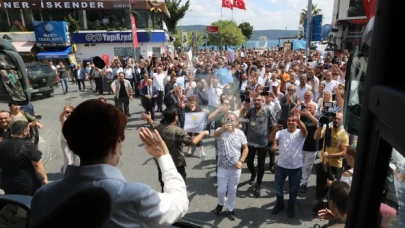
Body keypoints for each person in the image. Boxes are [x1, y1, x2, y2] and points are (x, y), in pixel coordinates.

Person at [30, 100, 189, 228]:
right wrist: (163, 157)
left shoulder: (43, 196)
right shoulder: (134, 196)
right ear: (115, 144)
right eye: (121, 139)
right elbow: (180, 203)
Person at [142, 108, 209, 192]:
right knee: (179, 187)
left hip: (162, 162)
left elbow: (152, 123)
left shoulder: (159, 126)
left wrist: (148, 118)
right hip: (176, 163)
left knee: (164, 185)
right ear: (175, 117)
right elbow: (193, 142)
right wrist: (203, 133)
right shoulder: (177, 131)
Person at [269, 108, 307, 218]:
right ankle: (280, 204)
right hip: (281, 166)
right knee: (278, 188)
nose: (291, 122)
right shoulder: (281, 132)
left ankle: (291, 207)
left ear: (297, 123)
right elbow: (271, 139)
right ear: (286, 122)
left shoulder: (300, 133)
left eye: (293, 121)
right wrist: (274, 131)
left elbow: (305, 131)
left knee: (293, 190)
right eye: (289, 120)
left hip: (296, 167)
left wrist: (299, 120)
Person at [213, 113, 248, 221]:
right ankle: (220, 203)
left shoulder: (240, 133)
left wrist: (241, 161)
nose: (229, 122)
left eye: (232, 120)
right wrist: (222, 129)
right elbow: (215, 135)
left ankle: (230, 209)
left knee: (232, 190)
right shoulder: (220, 130)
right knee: (221, 190)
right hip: (222, 167)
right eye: (227, 119)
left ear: (236, 122)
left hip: (235, 168)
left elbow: (245, 148)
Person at [0, 120, 48, 195]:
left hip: (6, 181)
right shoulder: (27, 145)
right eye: (28, 130)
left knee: (12, 202)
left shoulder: (2, 143)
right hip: (25, 182)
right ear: (25, 131)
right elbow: (37, 164)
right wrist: (44, 178)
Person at [60, 105, 79, 173]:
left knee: (77, 158)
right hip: (65, 142)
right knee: (68, 160)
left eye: (70, 112)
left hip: (75, 141)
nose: (68, 114)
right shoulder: (63, 119)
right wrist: (65, 111)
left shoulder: (76, 119)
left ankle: (76, 173)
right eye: (67, 112)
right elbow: (61, 117)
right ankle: (67, 175)